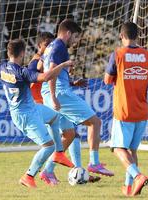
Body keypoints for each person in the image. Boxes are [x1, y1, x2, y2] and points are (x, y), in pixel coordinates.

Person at [0, 39, 74, 188]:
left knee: (55, 117)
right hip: (25, 116)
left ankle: (59, 153)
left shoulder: (0, 68)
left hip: (32, 108)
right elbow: (46, 77)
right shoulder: (22, 72)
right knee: (47, 146)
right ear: (22, 53)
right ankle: (28, 175)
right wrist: (63, 64)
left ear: (8, 53)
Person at [40, 19, 114, 185]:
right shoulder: (59, 46)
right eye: (75, 37)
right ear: (68, 33)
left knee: (69, 135)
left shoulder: (51, 46)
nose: (75, 41)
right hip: (59, 93)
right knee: (95, 122)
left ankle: (47, 171)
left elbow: (50, 71)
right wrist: (54, 96)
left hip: (52, 92)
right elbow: (51, 72)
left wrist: (72, 82)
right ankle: (94, 163)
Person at [104, 22, 148, 196]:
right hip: (142, 111)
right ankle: (129, 187)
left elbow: (107, 80)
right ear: (137, 36)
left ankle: (137, 176)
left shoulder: (118, 54)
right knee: (132, 150)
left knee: (117, 148)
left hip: (124, 111)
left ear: (121, 36)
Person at [30, 32, 101, 185]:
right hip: (43, 103)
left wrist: (72, 82)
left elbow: (54, 75)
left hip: (49, 99)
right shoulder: (37, 61)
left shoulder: (49, 58)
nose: (49, 47)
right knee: (54, 142)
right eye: (46, 45)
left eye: (51, 44)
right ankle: (34, 174)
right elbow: (37, 78)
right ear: (40, 46)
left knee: (70, 134)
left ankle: (70, 171)